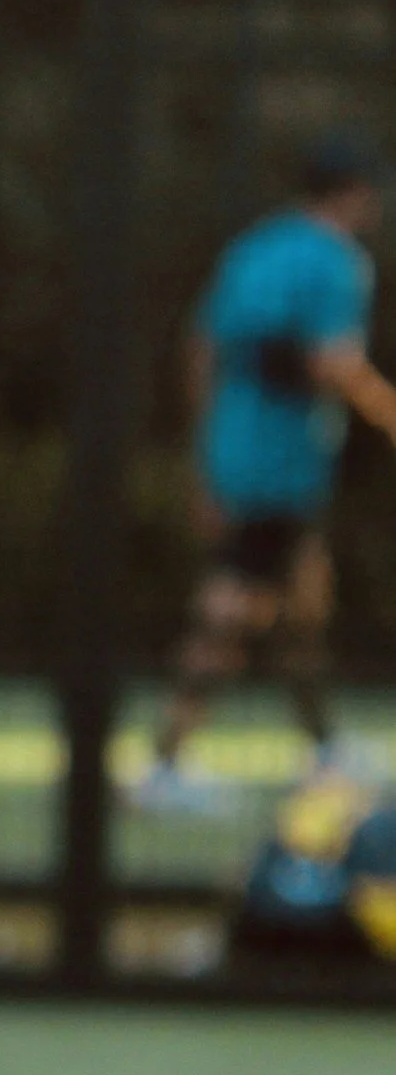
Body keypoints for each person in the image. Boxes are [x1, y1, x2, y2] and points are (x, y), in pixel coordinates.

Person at [140, 135, 396, 814]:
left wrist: (205, 452)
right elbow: (332, 363)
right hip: (282, 466)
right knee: (232, 611)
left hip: (237, 454)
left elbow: (200, 349)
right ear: (358, 195)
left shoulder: (254, 248)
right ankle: (163, 762)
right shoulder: (339, 262)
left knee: (305, 604)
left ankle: (321, 748)